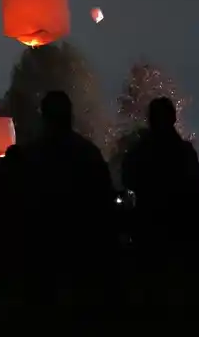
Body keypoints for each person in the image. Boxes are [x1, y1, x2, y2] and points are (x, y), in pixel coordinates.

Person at [20, 91, 116, 280]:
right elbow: (104, 201)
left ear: (44, 117)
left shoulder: (30, 156)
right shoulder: (88, 154)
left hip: (41, 251)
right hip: (82, 250)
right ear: (70, 117)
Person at [122, 97, 199, 255]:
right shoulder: (184, 151)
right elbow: (195, 184)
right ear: (173, 118)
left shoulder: (140, 151)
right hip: (180, 225)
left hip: (150, 224)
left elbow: (127, 178)